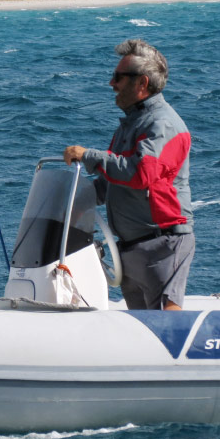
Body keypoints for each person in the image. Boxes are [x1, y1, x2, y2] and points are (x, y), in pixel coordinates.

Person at [63, 39, 194, 310]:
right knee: (142, 329)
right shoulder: (132, 123)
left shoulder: (163, 124)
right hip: (130, 247)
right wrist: (72, 204)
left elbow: (140, 174)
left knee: (164, 325)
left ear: (142, 83)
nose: (112, 83)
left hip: (162, 244)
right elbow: (114, 181)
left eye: (118, 77)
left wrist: (88, 155)